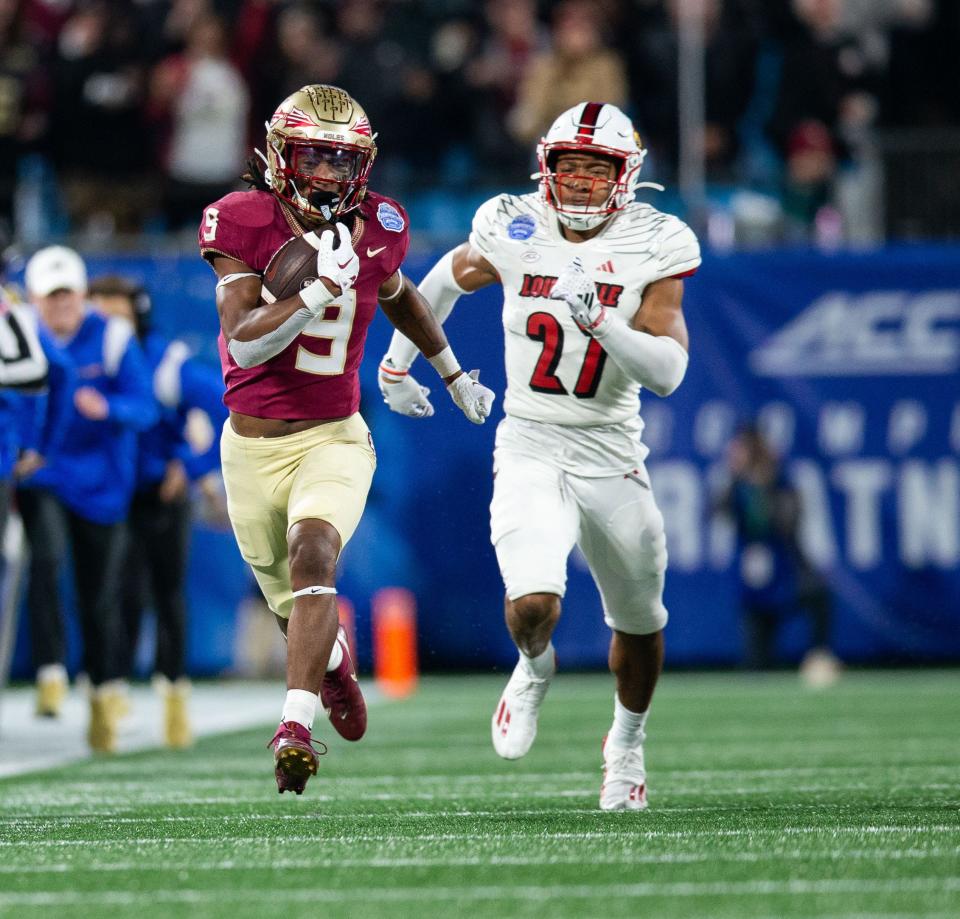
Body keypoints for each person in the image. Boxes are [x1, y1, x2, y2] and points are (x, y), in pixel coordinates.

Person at [379, 101, 700, 811]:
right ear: (545, 169)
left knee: (641, 620)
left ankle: (626, 744)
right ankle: (533, 667)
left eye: (597, 168)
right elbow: (439, 280)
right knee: (531, 605)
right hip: (530, 439)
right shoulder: (513, 223)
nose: (582, 182)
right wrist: (404, 364)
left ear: (627, 175)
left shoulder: (657, 239)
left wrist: (603, 322)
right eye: (570, 167)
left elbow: (669, 371)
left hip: (612, 450)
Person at [198, 84, 493, 795]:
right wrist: (310, 295)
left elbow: (399, 293)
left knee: (314, 552)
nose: (328, 175)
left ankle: (295, 726)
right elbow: (244, 342)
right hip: (250, 446)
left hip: (334, 435)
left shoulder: (383, 224)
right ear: (277, 155)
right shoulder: (239, 219)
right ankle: (332, 663)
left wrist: (449, 370)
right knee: (291, 607)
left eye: (341, 160)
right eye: (314, 157)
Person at [18, 245, 156, 752]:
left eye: (67, 295)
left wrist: (109, 407)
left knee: (99, 596)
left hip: (102, 484)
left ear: (82, 295)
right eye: (49, 298)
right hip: (45, 471)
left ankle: (102, 690)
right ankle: (51, 668)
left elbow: (145, 409)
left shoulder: (115, 336)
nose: (60, 306)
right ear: (34, 299)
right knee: (48, 558)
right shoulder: (21, 337)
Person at [88, 275, 228, 747]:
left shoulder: (167, 363)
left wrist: (188, 466)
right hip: (108, 491)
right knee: (112, 594)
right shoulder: (88, 357)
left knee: (167, 594)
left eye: (115, 311)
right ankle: (114, 694)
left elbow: (228, 408)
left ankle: (173, 697)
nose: (104, 320)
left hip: (158, 493)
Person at [718, 423, 841, 687]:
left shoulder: (780, 481)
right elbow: (718, 510)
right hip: (754, 579)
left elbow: (789, 524)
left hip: (784, 571)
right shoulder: (737, 486)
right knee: (757, 661)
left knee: (818, 596)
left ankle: (819, 654)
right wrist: (736, 477)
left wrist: (766, 486)